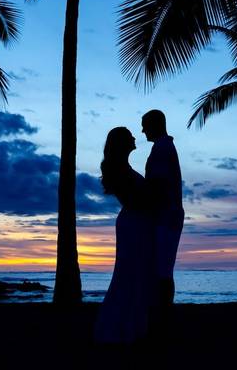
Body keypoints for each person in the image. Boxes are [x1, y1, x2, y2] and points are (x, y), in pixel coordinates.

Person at [93, 127, 155, 344]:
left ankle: (131, 326)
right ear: (121, 142)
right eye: (129, 135)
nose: (134, 137)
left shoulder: (123, 168)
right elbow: (133, 201)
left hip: (135, 222)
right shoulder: (119, 170)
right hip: (133, 223)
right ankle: (122, 329)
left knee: (135, 273)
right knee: (129, 273)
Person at [141, 109, 185, 338]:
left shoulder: (161, 148)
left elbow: (156, 186)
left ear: (155, 124)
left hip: (166, 217)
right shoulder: (164, 147)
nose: (142, 130)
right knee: (163, 270)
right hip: (168, 216)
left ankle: (163, 319)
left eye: (145, 125)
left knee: (163, 271)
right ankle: (163, 317)